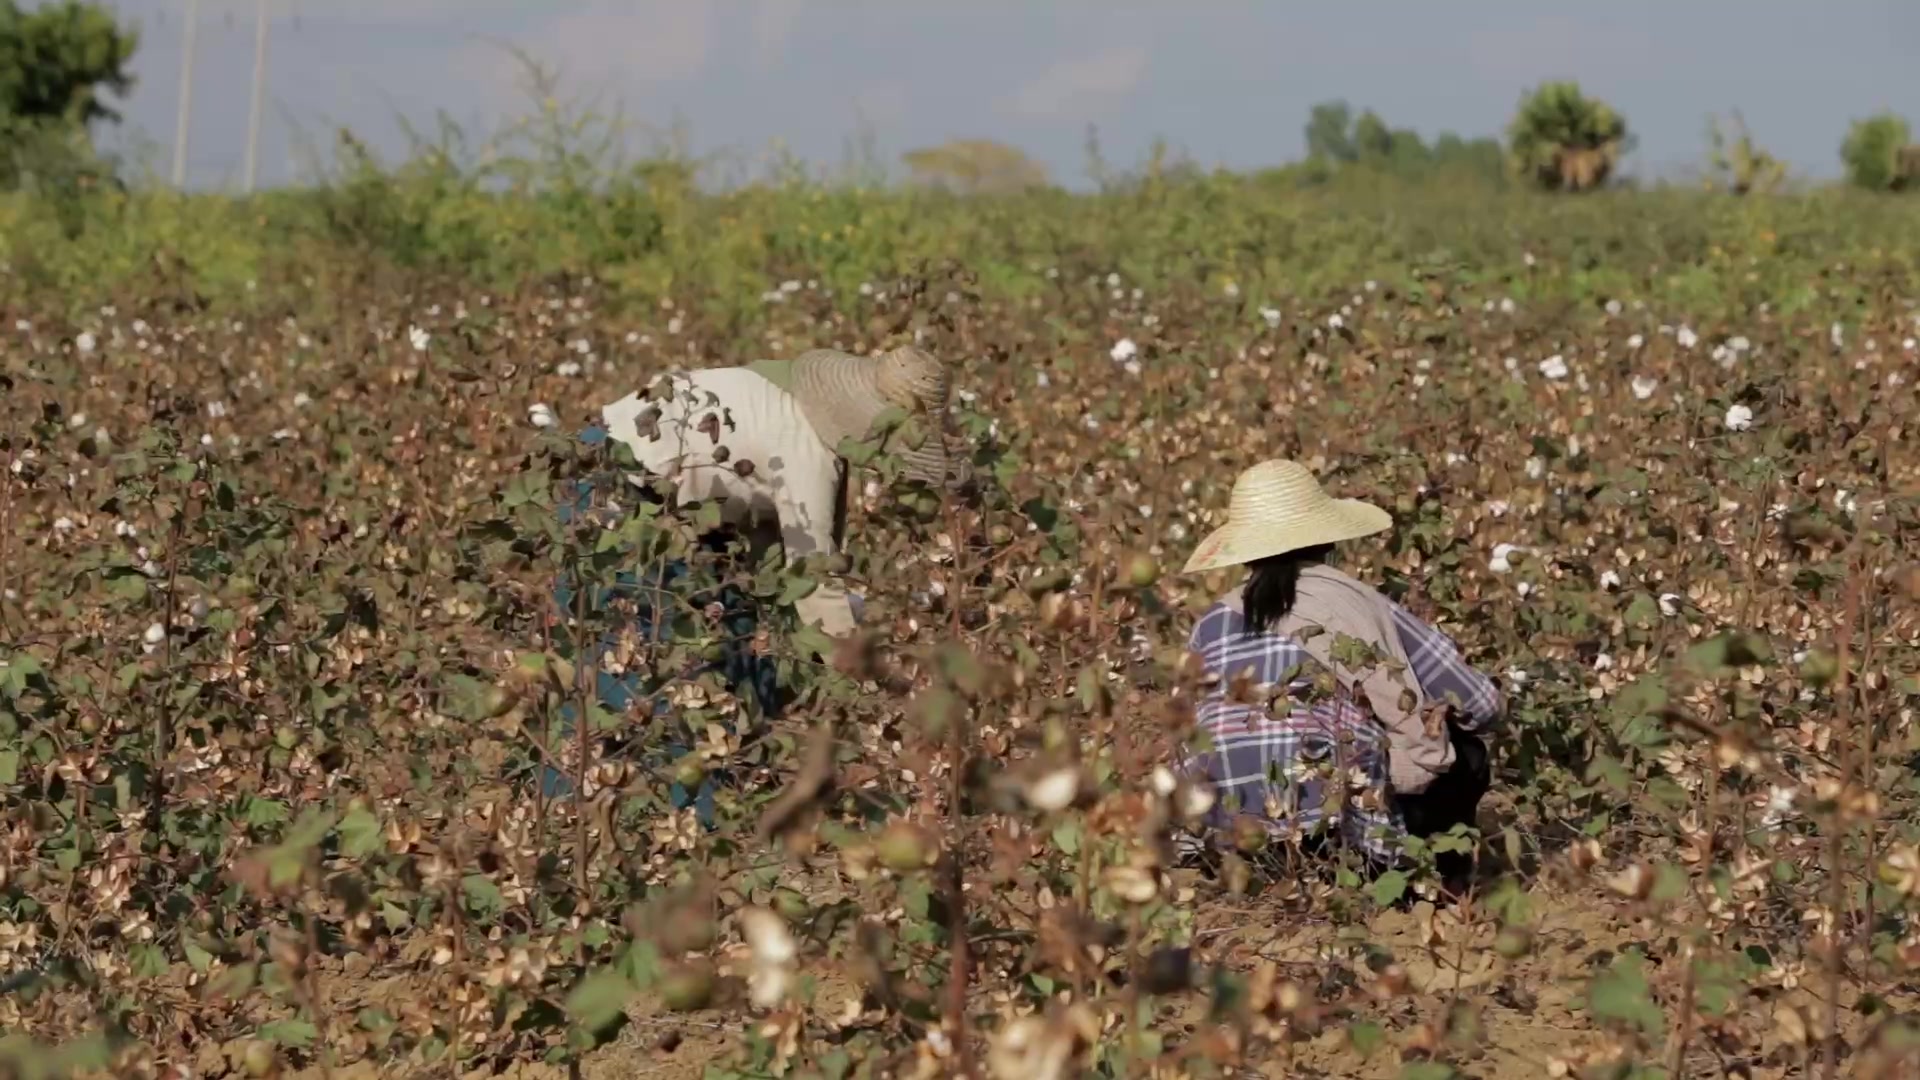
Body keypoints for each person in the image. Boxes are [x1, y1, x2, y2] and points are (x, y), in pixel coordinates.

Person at [537, 346, 973, 814]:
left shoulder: (782, 392)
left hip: (660, 496)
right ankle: (644, 811)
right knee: (645, 659)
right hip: (611, 486)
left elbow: (773, 556)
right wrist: (865, 681)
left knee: (735, 628)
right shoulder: (808, 452)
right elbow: (812, 583)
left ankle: (727, 774)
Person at [1177, 459, 1502, 893]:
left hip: (1226, 847)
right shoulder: (1353, 599)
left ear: (1246, 552)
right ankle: (1440, 888)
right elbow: (1478, 703)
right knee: (1467, 753)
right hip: (1345, 851)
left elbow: (1184, 734)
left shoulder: (1209, 623)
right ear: (1325, 537)